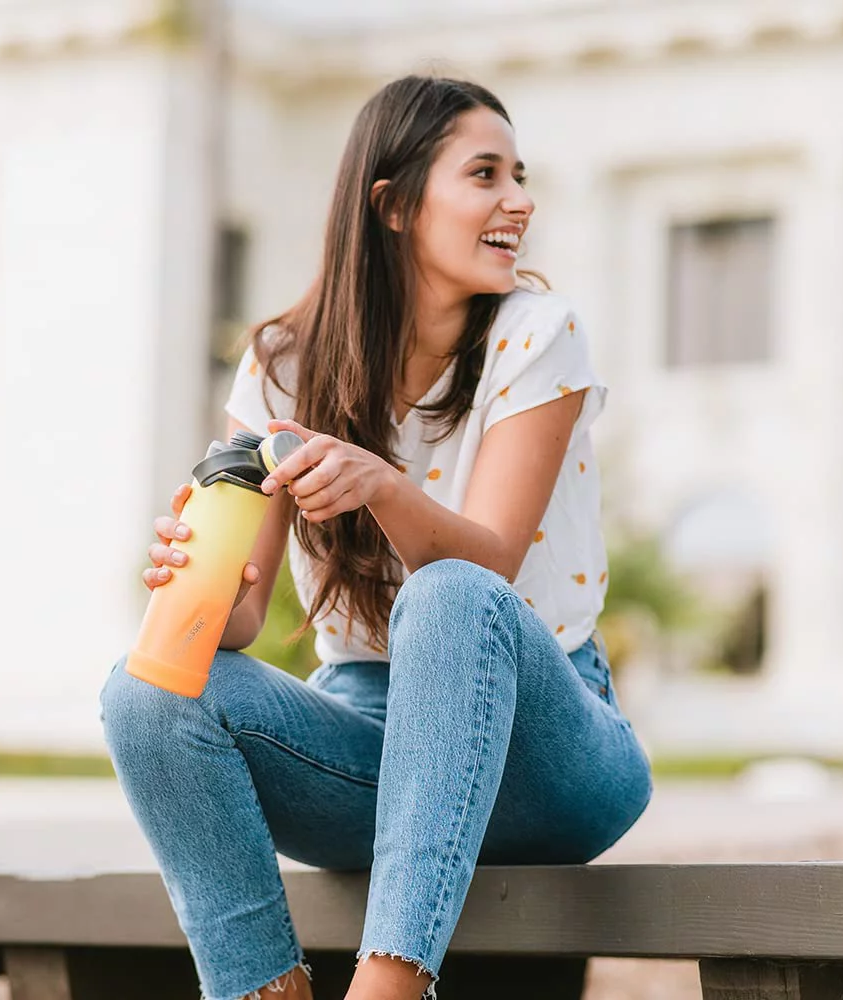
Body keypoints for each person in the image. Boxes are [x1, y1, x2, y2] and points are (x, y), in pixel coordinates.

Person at [100, 74, 652, 1000]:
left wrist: (384, 488)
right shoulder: (283, 364)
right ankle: (258, 990)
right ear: (393, 206)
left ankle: (389, 991)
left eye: (520, 175)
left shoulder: (537, 333)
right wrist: (195, 585)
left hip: (549, 752)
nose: (519, 200)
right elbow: (236, 625)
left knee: (450, 593)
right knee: (143, 692)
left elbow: (493, 566)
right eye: (485, 174)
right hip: (365, 749)